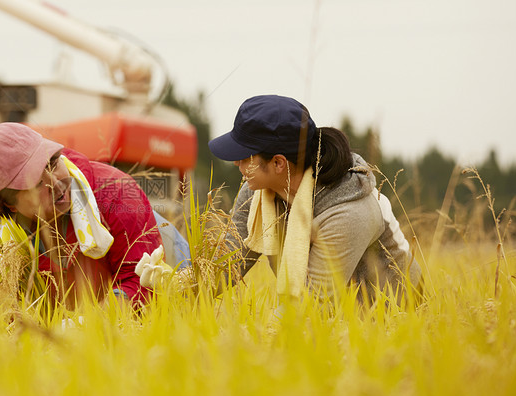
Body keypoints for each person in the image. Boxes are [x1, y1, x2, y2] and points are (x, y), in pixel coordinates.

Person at [138, 94, 422, 306]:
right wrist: (179, 283)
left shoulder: (348, 212)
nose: (236, 162)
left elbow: (310, 309)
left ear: (278, 163)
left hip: (394, 332)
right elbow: (228, 263)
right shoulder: (259, 190)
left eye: (245, 155)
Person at [0, 122, 171, 307]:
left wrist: (85, 328)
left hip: (168, 261)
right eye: (37, 183)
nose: (56, 183)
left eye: (53, 163)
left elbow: (142, 282)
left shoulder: (116, 191)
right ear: (11, 205)